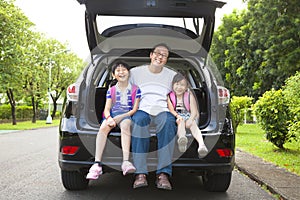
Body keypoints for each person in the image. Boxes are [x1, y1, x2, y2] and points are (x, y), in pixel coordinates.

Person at [130, 43, 177, 190]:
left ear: (166, 59)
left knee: (169, 121)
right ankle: (140, 174)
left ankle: (163, 174)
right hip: (142, 109)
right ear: (151, 55)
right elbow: (123, 87)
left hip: (163, 110)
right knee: (138, 120)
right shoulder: (135, 72)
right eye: (157, 53)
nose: (160, 57)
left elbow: (182, 92)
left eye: (164, 55)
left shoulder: (171, 75)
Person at [86, 60, 141, 180]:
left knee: (126, 125)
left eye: (124, 70)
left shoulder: (136, 90)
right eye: (118, 70)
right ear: (113, 75)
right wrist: (109, 118)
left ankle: (126, 161)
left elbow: (134, 110)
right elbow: (106, 109)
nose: (121, 72)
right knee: (103, 127)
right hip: (112, 115)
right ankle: (97, 164)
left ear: (129, 73)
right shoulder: (111, 90)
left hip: (126, 115)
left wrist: (119, 118)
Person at [167, 73, 208, 157]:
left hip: (189, 115)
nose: (179, 87)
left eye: (182, 85)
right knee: (180, 122)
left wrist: (191, 119)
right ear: (172, 85)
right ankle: (182, 139)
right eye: (177, 84)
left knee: (193, 125)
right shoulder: (170, 96)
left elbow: (194, 111)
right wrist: (177, 116)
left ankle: (201, 145)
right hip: (178, 116)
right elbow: (171, 109)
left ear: (186, 87)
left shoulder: (189, 95)